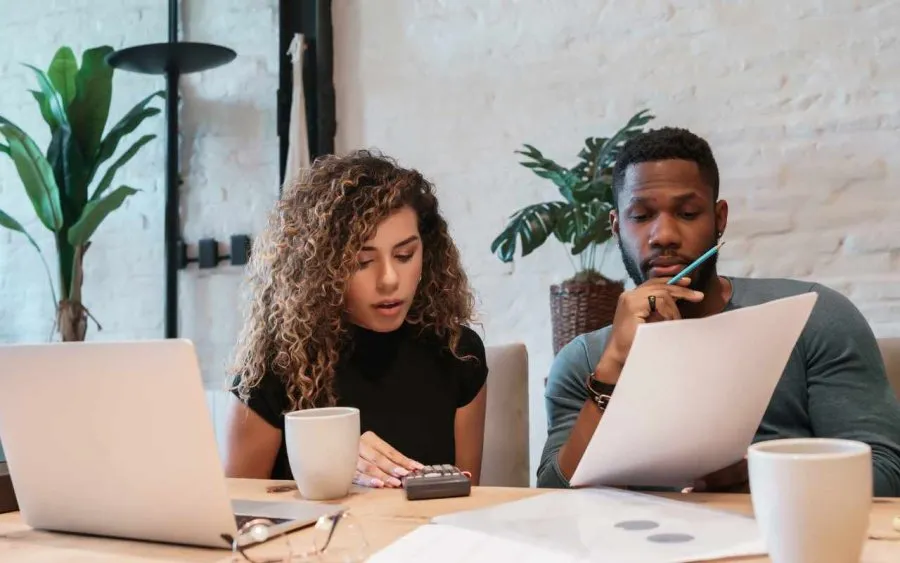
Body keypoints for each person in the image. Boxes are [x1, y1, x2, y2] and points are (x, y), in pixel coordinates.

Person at [537, 126, 900, 497]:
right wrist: (614, 362)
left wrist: (764, 484)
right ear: (616, 227)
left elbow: (886, 472)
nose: (663, 235)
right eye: (641, 216)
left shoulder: (814, 317)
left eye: (688, 212)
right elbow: (552, 496)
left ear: (719, 219)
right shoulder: (584, 361)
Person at [224, 150, 488, 488]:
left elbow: (469, 497)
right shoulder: (276, 363)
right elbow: (238, 510)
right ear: (321, 269)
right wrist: (326, 463)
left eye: (405, 255)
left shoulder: (457, 351)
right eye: (362, 262)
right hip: (315, 540)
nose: (390, 279)